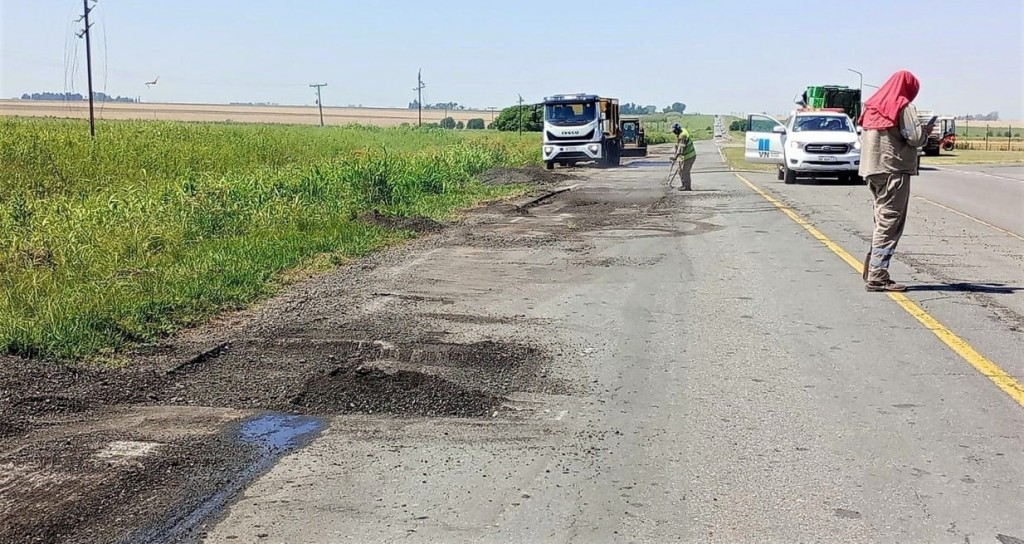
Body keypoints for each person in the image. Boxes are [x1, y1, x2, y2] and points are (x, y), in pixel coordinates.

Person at [858, 70, 933, 292]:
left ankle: (873, 267)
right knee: (890, 222)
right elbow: (915, 138)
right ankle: (877, 275)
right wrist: (925, 133)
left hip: (872, 169)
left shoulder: (872, 105)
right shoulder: (902, 106)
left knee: (882, 219)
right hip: (894, 170)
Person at [670, 123, 696, 191]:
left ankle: (687, 187)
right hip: (684, 155)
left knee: (685, 171)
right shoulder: (681, 132)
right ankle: (684, 185)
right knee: (680, 170)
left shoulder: (683, 136)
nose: (673, 133)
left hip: (689, 156)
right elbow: (678, 146)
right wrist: (677, 157)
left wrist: (675, 157)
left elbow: (680, 150)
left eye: (674, 131)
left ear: (677, 130)